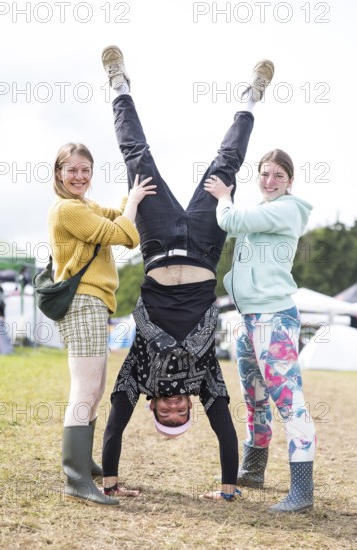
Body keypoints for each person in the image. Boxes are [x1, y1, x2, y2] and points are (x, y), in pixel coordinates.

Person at [100, 45, 274, 502]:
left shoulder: (137, 375)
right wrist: (228, 490)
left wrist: (112, 483)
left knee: (136, 157)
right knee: (225, 167)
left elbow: (115, 425)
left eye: (167, 413)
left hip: (156, 242)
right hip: (202, 243)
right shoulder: (205, 381)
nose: (176, 406)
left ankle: (118, 86)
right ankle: (250, 98)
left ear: (154, 407)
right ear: (190, 410)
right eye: (181, 414)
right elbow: (226, 433)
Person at [204, 150, 317, 513]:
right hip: (248, 318)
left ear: (290, 181)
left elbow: (231, 221)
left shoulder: (285, 209)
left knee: (290, 404)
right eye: (265, 174)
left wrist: (224, 197)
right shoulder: (265, 208)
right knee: (253, 399)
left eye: (278, 176)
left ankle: (301, 492)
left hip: (274, 320)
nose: (269, 181)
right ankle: (253, 470)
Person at [49, 142, 156, 505]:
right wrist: (135, 202)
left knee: (95, 390)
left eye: (85, 169)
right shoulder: (67, 210)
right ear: (59, 173)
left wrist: (134, 196)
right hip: (83, 303)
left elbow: (121, 218)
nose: (79, 176)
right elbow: (123, 234)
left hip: (96, 304)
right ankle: (75, 477)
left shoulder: (87, 207)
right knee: (85, 388)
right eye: (71, 169)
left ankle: (82, 461)